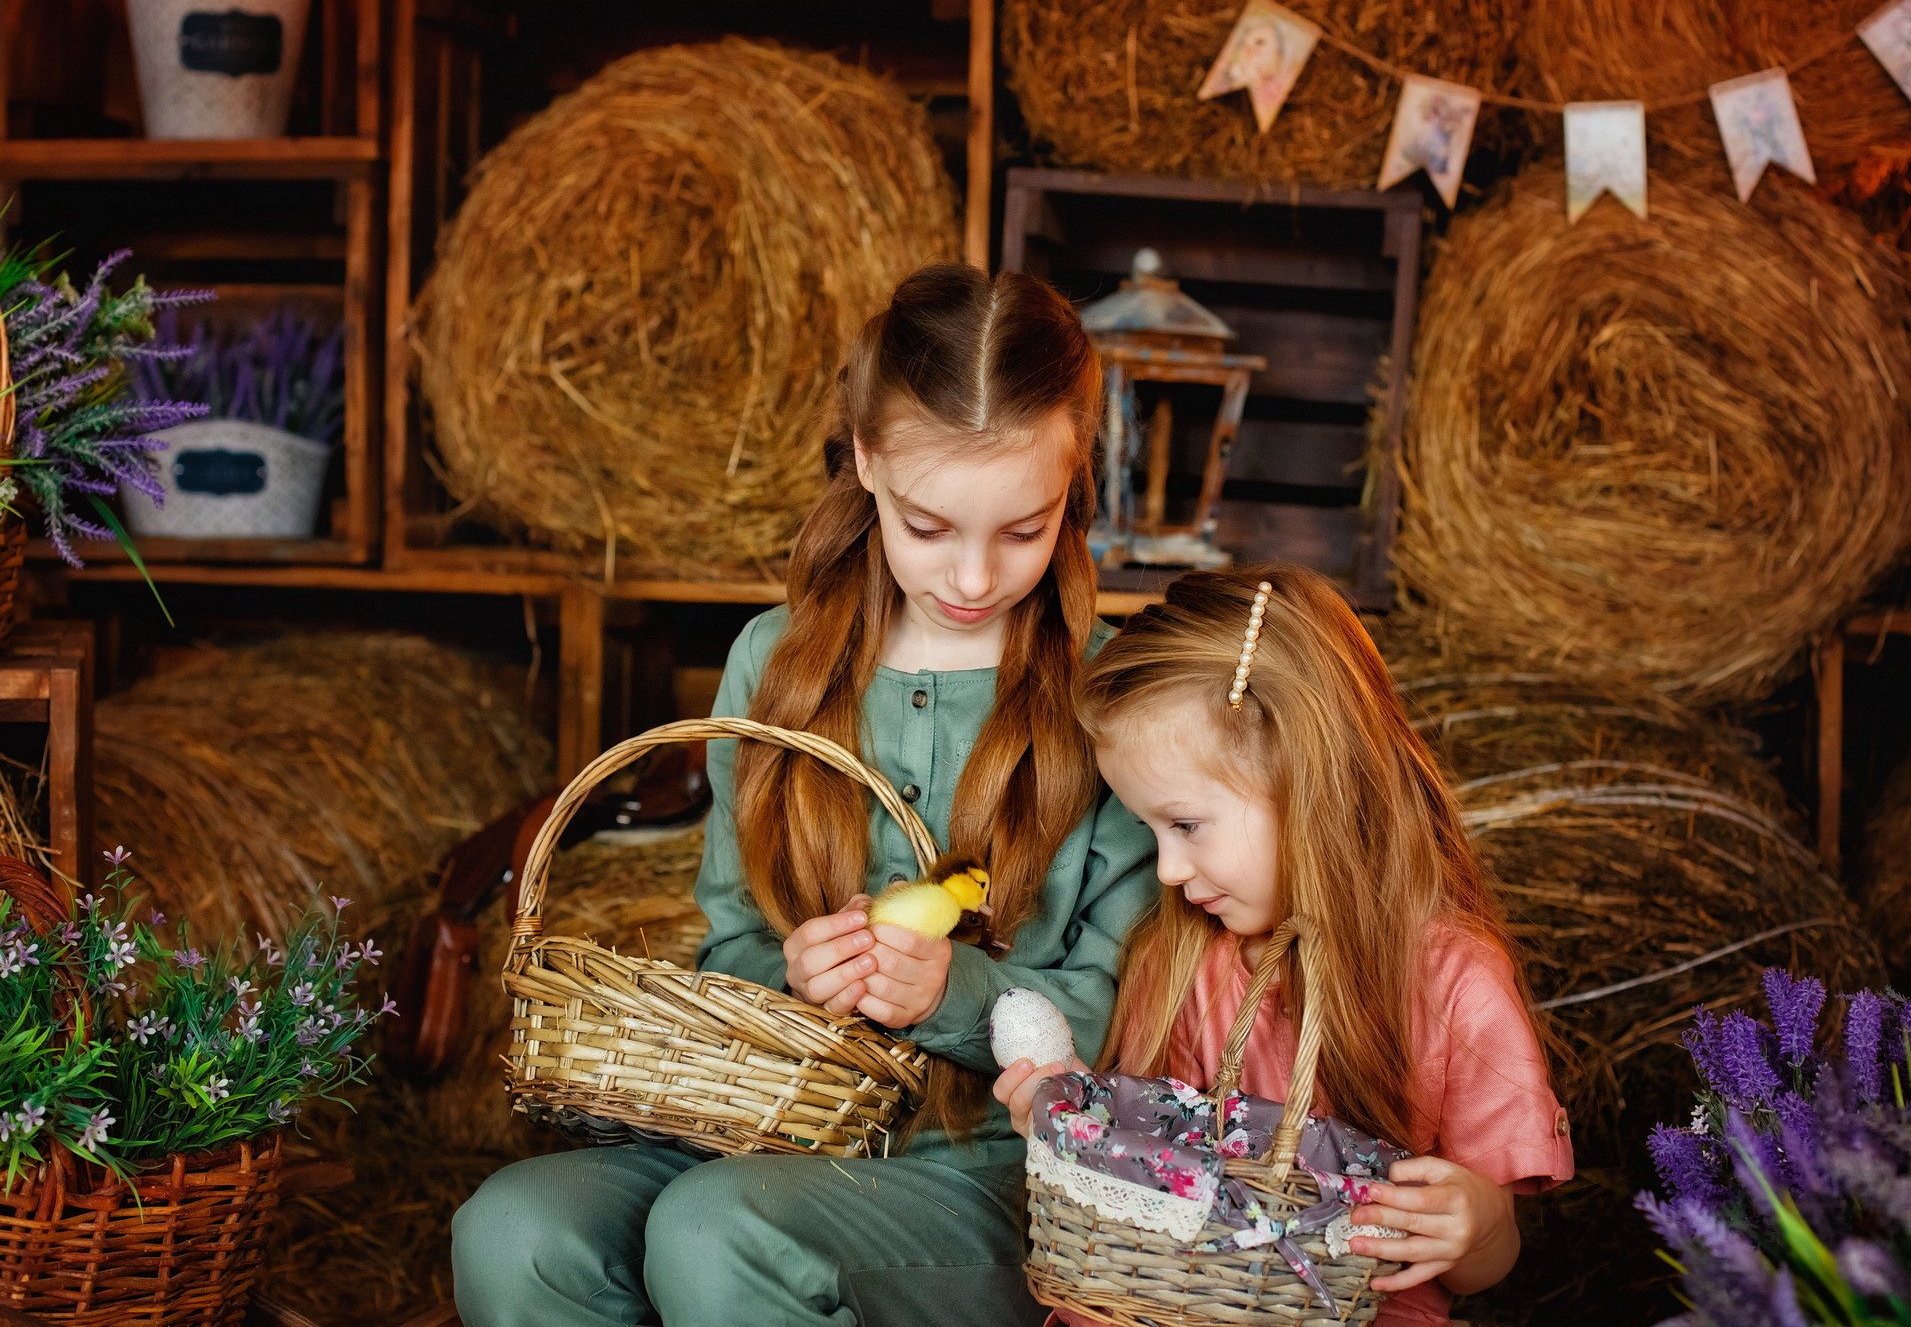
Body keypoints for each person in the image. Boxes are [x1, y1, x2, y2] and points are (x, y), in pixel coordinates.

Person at [453, 264, 1159, 1327]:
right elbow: (729, 938)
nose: (973, 577)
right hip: (765, 1130)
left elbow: (1133, 1013)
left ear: (1074, 481)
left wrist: (950, 997)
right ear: (867, 462)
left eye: (1024, 529)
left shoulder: (1110, 699)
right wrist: (792, 977)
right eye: (929, 528)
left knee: (720, 1229)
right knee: (513, 1230)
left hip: (987, 1174)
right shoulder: (772, 664)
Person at [995, 565, 1574, 1327]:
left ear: (1309, 779)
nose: (1167, 870)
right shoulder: (1188, 963)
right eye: (1150, 831)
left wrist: (1480, 1225)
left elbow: (1480, 1270)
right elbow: (1154, 1171)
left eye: (1187, 824)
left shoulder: (1452, 982)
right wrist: (1081, 1123)